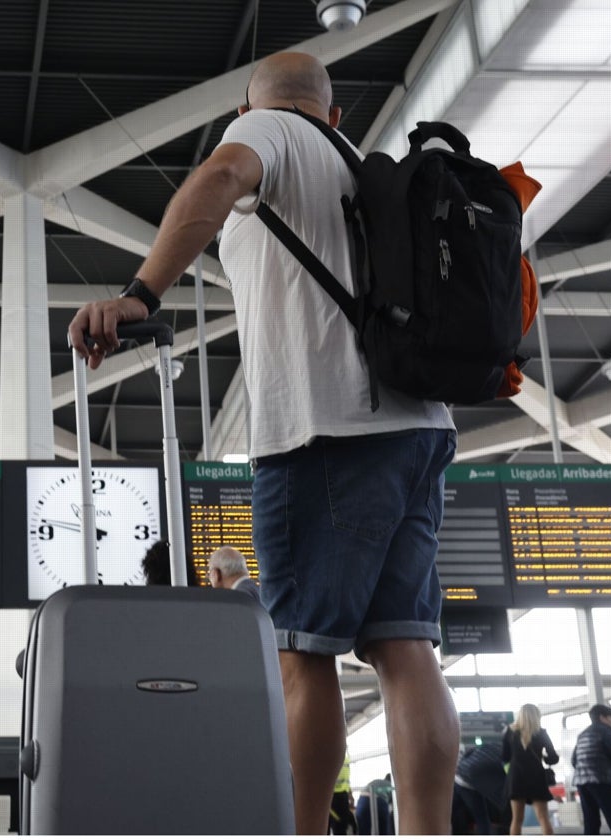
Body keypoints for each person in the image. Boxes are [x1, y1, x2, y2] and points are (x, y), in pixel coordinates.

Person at [68, 50, 458, 834]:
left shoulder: (268, 134)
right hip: (418, 427)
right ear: (335, 114)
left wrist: (142, 291)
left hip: (323, 432)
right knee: (405, 648)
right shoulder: (357, 165)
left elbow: (217, 181)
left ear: (246, 113)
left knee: (300, 654)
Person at [503, 703, 559, 835]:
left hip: (516, 777)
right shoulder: (542, 733)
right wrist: (545, 758)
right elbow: (553, 758)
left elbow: (504, 757)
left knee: (516, 820)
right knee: (543, 818)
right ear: (536, 716)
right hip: (536, 777)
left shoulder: (510, 732)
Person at [571, 703, 611, 835]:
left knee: (591, 822)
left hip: (582, 783)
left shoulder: (582, 734)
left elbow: (574, 760)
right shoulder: (606, 731)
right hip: (602, 781)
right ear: (602, 717)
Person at [453, 742, 508, 835]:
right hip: (469, 782)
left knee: (453, 816)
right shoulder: (508, 761)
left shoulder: (494, 746)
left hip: (458, 776)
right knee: (482, 820)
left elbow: (470, 752)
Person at [329, 752, 358, 835]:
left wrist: (350, 795)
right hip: (333, 797)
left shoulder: (344, 756)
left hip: (342, 797)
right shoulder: (330, 754)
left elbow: (346, 779)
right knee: (337, 827)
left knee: (341, 827)